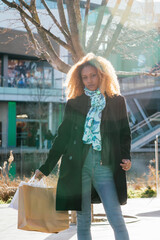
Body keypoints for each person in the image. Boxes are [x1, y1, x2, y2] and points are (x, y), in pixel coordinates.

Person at [35, 53, 132, 240]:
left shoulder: (116, 101)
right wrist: (46, 168)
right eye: (85, 77)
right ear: (79, 79)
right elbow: (62, 138)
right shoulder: (74, 103)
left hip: (105, 168)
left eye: (93, 75)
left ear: (102, 75)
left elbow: (124, 134)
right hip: (79, 168)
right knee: (83, 219)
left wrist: (126, 157)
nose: (89, 81)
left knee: (116, 218)